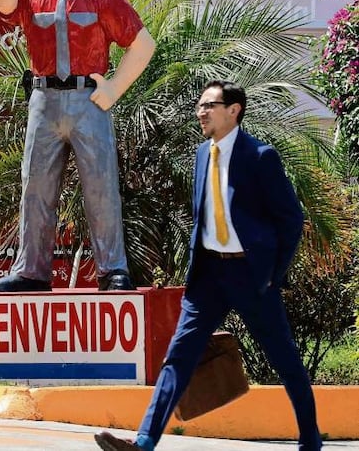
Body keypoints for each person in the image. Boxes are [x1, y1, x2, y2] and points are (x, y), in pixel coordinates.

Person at [94, 80, 320, 451]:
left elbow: (291, 219)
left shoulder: (260, 156)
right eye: (199, 106)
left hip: (252, 275)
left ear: (234, 110)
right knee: (178, 355)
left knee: (285, 359)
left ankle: (311, 441)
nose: (201, 112)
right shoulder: (203, 154)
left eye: (209, 106)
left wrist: (273, 275)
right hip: (209, 276)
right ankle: (144, 441)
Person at [0, 0, 155, 292]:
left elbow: (143, 45)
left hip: (86, 101)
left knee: (100, 186)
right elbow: (3, 0)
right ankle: (31, 270)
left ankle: (113, 270)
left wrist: (113, 90)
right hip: (43, 101)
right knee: (35, 186)